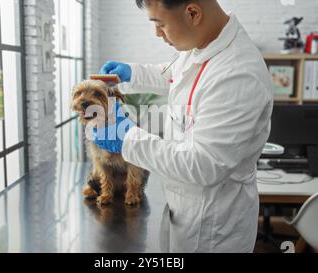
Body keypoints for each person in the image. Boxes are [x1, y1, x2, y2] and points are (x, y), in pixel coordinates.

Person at [95, 0, 273, 252]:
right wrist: (130, 73)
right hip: (183, 207)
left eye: (160, 24)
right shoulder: (202, 45)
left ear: (192, 12)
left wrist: (127, 139)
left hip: (211, 226)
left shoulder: (237, 75)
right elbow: (173, 73)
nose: (157, 33)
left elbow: (204, 165)